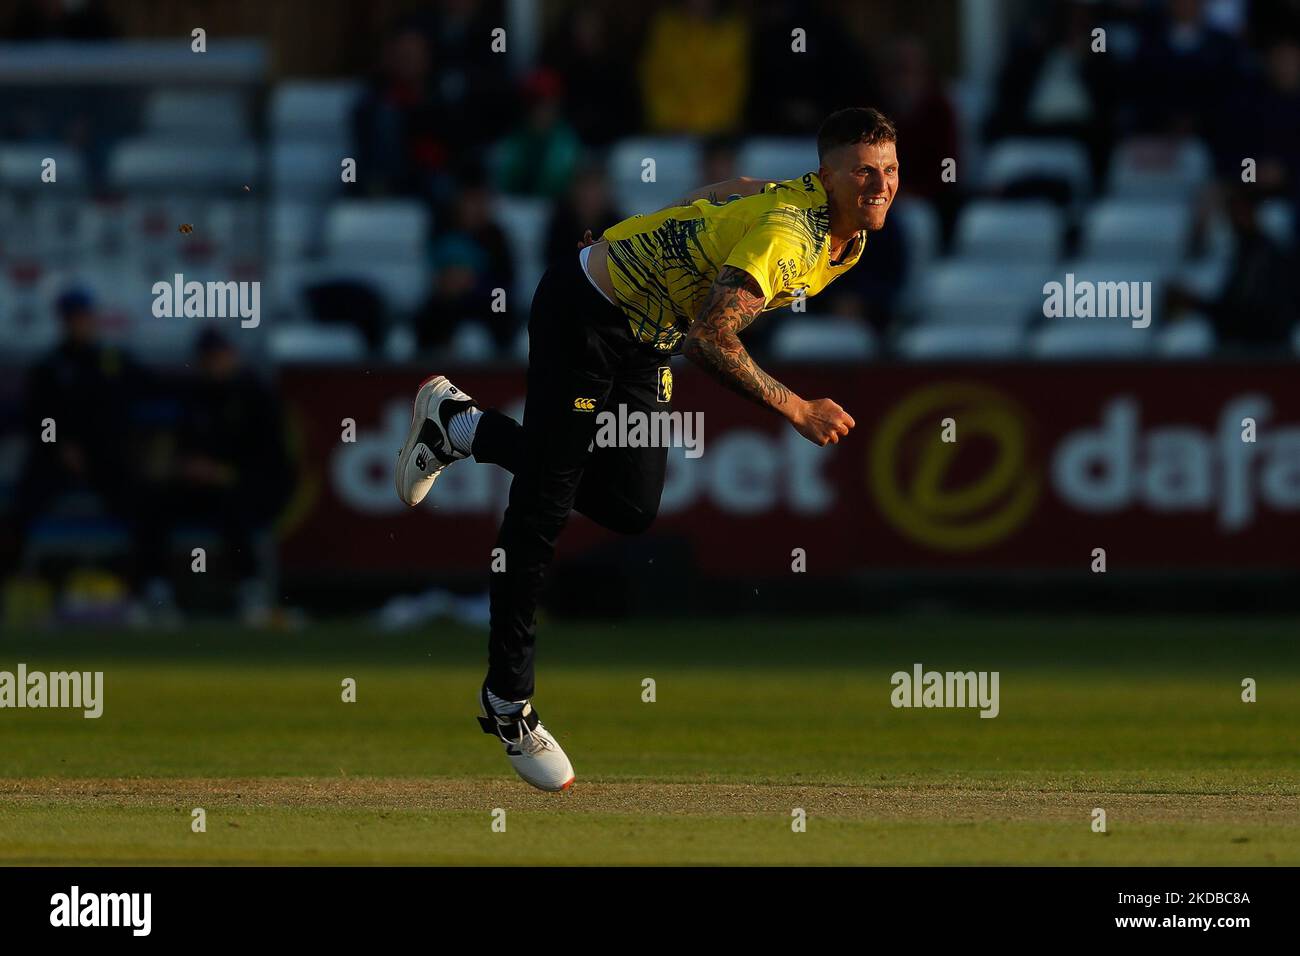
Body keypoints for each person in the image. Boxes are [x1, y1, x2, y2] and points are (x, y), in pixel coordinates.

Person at [394, 108, 897, 791]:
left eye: (890, 170)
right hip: (588, 313)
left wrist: (648, 233)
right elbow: (713, 340)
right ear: (828, 177)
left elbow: (728, 190)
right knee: (541, 508)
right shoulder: (790, 235)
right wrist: (797, 408)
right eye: (864, 171)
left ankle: (460, 426)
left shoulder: (842, 231)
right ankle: (508, 703)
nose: (880, 185)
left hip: (647, 336)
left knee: (630, 507)